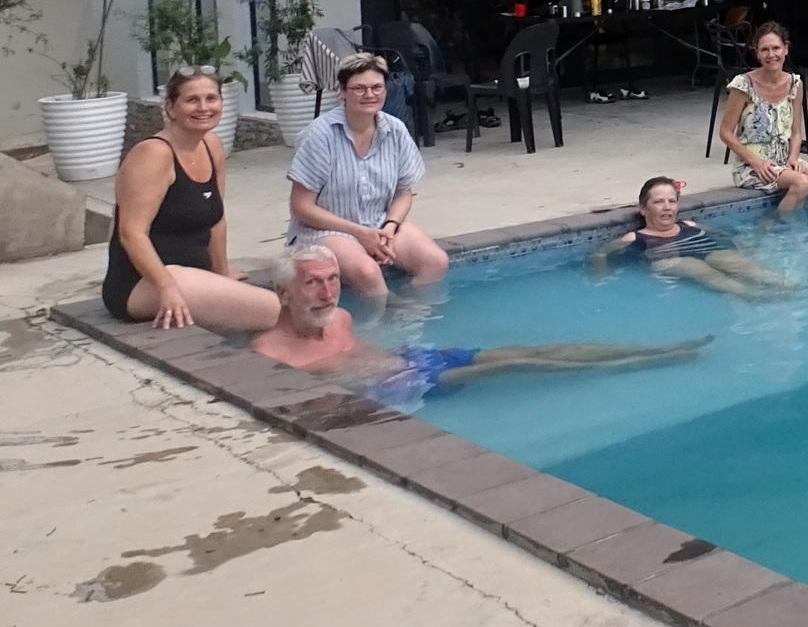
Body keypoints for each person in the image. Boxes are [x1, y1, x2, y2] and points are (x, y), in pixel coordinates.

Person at [253, 245, 708, 404]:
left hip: (414, 359)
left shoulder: (342, 318)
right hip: (403, 386)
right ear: (285, 292)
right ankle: (640, 364)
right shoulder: (270, 355)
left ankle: (654, 349)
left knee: (528, 350)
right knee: (517, 365)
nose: (328, 292)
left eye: (332, 280)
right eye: (313, 283)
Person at [100, 66, 281, 331]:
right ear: (170, 107)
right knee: (282, 313)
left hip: (194, 275)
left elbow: (216, 219)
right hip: (144, 283)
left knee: (298, 305)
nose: (203, 107)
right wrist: (167, 287)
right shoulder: (153, 154)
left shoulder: (211, 145)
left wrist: (222, 273)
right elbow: (131, 233)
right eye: (192, 100)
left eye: (211, 98)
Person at [287, 53, 449, 301]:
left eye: (376, 87)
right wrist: (360, 233)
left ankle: (414, 313)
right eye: (359, 88)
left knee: (436, 261)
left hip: (379, 224)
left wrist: (390, 227)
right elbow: (301, 207)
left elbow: (404, 192)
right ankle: (386, 318)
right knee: (368, 272)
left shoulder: (395, 130)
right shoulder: (320, 135)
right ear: (342, 91)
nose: (369, 94)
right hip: (325, 231)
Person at [591, 176, 795, 296]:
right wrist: (602, 277)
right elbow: (600, 253)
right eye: (658, 202)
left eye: (672, 201)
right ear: (643, 209)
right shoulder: (635, 237)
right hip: (669, 259)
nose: (667, 207)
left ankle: (785, 285)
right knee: (696, 267)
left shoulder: (689, 225)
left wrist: (742, 246)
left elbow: (723, 234)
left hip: (705, 251)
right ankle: (750, 294)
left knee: (731, 260)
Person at [718, 22, 808, 213]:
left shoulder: (794, 83)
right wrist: (756, 162)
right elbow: (725, 133)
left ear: (785, 49)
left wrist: (794, 158)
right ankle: (777, 228)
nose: (771, 55)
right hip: (752, 164)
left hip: (785, 159)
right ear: (757, 54)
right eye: (764, 50)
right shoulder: (743, 85)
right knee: (802, 183)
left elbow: (796, 132)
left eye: (776, 48)